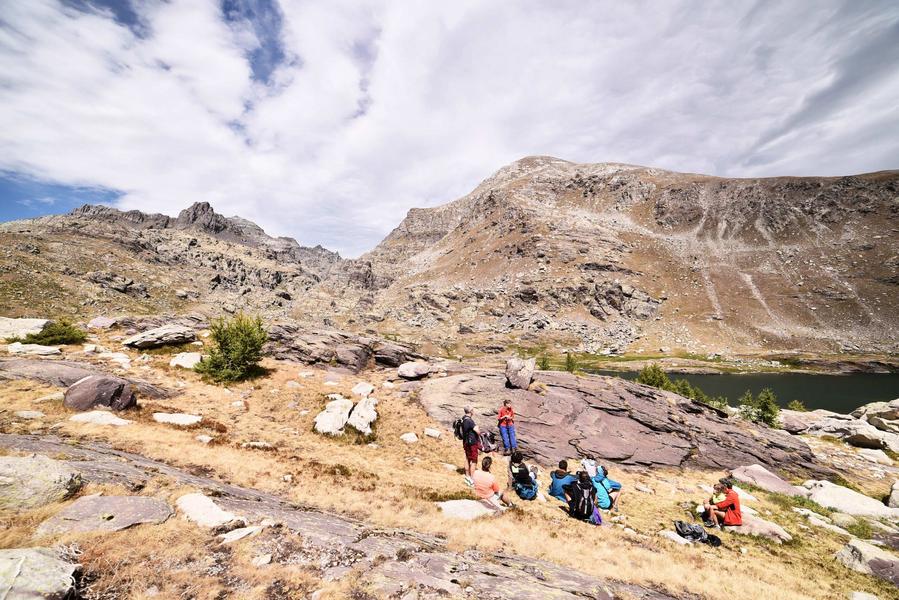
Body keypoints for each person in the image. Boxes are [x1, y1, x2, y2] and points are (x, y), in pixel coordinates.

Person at [460, 406, 480, 486]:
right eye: (473, 410)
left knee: (467, 458)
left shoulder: (463, 419)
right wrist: (478, 429)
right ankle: (472, 478)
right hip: (472, 443)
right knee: (474, 460)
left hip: (466, 442)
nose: (473, 411)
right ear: (471, 411)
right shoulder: (470, 421)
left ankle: (467, 475)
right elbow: (477, 431)